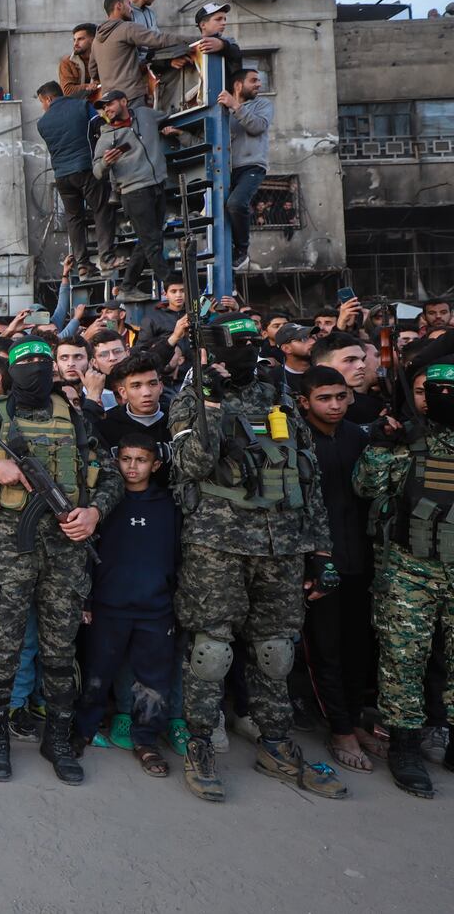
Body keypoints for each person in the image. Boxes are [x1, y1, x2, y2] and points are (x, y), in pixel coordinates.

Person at [170, 314, 344, 802]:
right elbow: (191, 464)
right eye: (238, 344)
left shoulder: (280, 398)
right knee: (210, 651)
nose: (248, 351)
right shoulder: (193, 399)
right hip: (218, 545)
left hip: (283, 543)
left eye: (253, 342)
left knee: (276, 650)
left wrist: (321, 550)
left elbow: (307, 479)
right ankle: (200, 743)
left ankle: (276, 741)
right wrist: (209, 400)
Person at [0, 337, 120, 784]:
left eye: (43, 363)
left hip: (67, 548)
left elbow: (110, 474)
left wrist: (94, 511)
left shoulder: (75, 417)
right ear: (10, 371)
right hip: (10, 549)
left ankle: (59, 737)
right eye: (25, 363)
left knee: (60, 649)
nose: (35, 370)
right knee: (3, 647)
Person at [353, 352, 454, 797]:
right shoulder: (406, 440)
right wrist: (382, 442)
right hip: (410, 567)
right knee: (403, 660)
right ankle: (406, 746)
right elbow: (367, 486)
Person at [74, 435, 180, 777]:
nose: (133, 467)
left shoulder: (168, 505)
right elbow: (88, 555)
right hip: (109, 606)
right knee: (96, 675)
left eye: (141, 460)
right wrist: (86, 599)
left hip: (155, 608)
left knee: (152, 680)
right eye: (126, 459)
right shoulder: (104, 505)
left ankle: (146, 740)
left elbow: (179, 559)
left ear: (156, 465)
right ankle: (82, 731)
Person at [291, 367, 376, 774]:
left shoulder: (359, 437)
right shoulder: (294, 442)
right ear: (305, 402)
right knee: (324, 648)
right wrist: (312, 561)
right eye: (325, 398)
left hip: (360, 560)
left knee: (359, 645)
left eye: (341, 397)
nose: (335, 405)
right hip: (319, 565)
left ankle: (357, 719)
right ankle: (339, 728)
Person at [93, 88, 182, 303]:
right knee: (152, 242)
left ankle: (127, 286)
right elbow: (96, 171)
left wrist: (171, 128)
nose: (107, 109)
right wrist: (106, 162)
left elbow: (171, 115)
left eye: (109, 104)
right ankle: (174, 284)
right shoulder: (107, 137)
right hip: (134, 192)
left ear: (123, 101)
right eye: (104, 107)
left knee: (149, 240)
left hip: (157, 185)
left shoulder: (144, 114)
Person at [37, 81, 112, 280]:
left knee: (74, 218)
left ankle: (83, 264)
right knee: (101, 208)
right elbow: (100, 126)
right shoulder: (82, 105)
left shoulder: (42, 123)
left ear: (49, 99)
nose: (43, 107)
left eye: (42, 103)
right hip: (86, 168)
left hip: (62, 176)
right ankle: (106, 257)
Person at [94, 0, 219, 106]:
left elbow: (93, 71)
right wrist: (198, 39)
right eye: (128, 4)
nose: (131, 9)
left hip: (108, 102)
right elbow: (160, 40)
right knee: (137, 128)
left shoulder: (96, 41)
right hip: (130, 97)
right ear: (119, 6)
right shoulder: (127, 28)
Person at [219, 67, 272, 270]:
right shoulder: (223, 110)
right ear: (238, 85)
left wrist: (235, 105)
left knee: (236, 204)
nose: (258, 84)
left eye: (259, 80)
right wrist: (179, 133)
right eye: (254, 80)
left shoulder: (262, 104)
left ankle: (242, 250)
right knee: (219, 211)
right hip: (225, 170)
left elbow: (258, 126)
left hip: (252, 166)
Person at [58, 23, 102, 100]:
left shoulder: (103, 59)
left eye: (80, 39)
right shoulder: (67, 63)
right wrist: (89, 86)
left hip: (101, 104)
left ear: (93, 40)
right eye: (74, 40)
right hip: (77, 107)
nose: (75, 43)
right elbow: (68, 91)